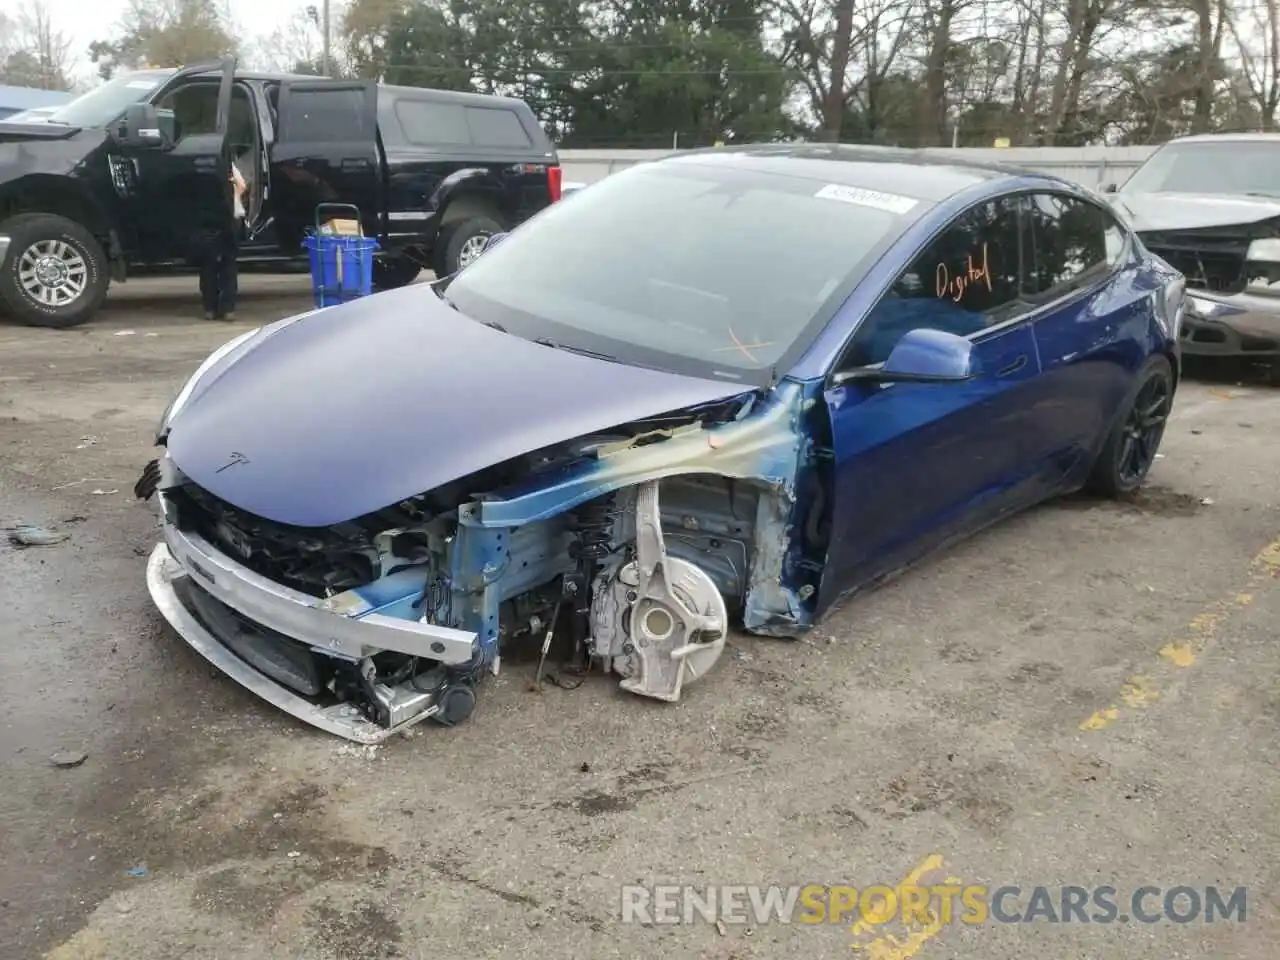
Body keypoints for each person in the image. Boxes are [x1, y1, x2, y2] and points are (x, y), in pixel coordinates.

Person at [200, 155, 247, 321]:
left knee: (208, 268)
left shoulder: (204, 174)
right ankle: (228, 308)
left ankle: (210, 308)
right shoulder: (232, 169)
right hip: (230, 220)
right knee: (228, 268)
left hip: (209, 224)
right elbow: (242, 186)